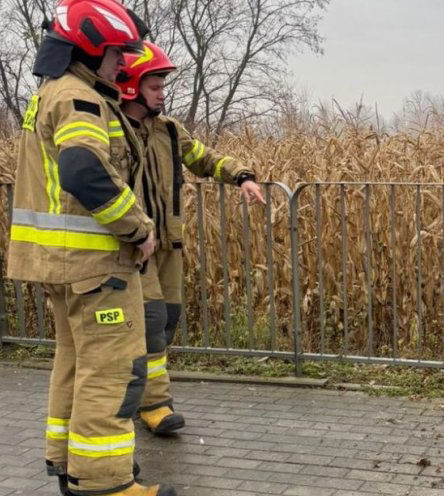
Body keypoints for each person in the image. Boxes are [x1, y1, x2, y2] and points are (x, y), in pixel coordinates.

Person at [6, 0, 175, 494]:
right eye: (117, 53)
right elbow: (85, 171)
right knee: (112, 373)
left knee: (74, 365)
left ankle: (69, 463)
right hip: (97, 268)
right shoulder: (81, 99)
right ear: (89, 49)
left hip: (63, 266)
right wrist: (139, 229)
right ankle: (103, 482)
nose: (123, 63)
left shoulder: (49, 92)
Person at [116, 41, 264, 434]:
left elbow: (204, 157)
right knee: (149, 324)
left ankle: (135, 396)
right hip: (132, 246)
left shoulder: (168, 130)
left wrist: (242, 176)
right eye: (155, 85)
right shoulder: (111, 129)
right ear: (130, 86)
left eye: (163, 84)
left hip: (168, 244)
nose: (162, 92)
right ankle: (155, 406)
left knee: (167, 322)